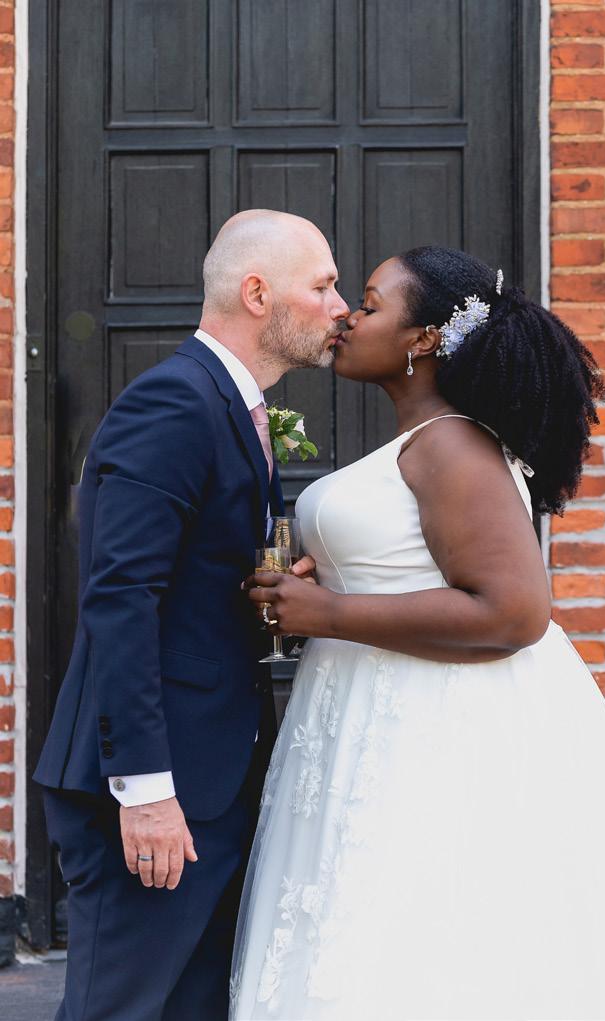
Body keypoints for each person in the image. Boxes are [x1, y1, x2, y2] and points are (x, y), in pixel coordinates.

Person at [233, 246, 605, 1020]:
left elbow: (514, 611)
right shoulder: (423, 439)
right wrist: (328, 583)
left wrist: (329, 614)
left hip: (431, 727)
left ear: (423, 338)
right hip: (367, 716)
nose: (348, 317)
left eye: (369, 304)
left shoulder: (453, 444)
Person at [33, 209, 350, 1021]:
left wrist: (273, 587)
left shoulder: (231, 406)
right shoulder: (175, 401)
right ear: (257, 293)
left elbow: (187, 580)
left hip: (209, 775)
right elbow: (121, 596)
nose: (339, 306)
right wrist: (144, 790)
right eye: (322, 286)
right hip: (153, 784)